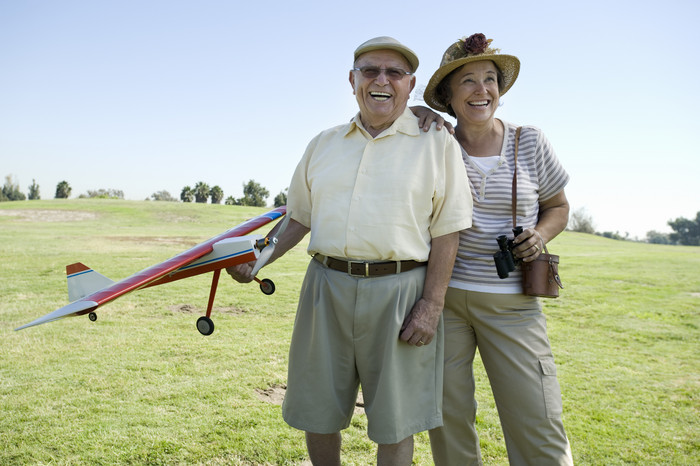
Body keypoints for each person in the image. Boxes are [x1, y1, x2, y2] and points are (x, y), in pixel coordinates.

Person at [227, 36, 473, 465]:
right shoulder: (323, 144)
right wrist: (259, 260)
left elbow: (448, 232)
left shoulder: (437, 143)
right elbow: (299, 217)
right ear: (352, 79)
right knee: (317, 412)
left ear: (409, 85)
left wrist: (431, 305)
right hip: (325, 287)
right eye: (370, 71)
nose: (382, 80)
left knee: (397, 420)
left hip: (402, 293)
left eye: (394, 73)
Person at [419, 33, 574, 465]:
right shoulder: (435, 143)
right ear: (448, 97)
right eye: (467, 81)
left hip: (514, 304)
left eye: (490, 79)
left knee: (537, 420)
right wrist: (412, 114)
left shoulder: (531, 141)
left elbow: (559, 207)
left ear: (500, 93)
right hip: (444, 302)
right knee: (447, 418)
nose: (482, 89)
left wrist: (540, 234)